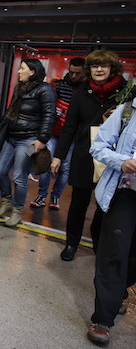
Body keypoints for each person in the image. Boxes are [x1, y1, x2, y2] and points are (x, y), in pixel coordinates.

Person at [52, 50, 126, 261]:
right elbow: (69, 127)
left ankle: (98, 243)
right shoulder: (82, 93)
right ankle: (71, 244)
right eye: (94, 66)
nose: (99, 69)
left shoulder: (125, 94)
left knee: (106, 203)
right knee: (78, 203)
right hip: (85, 153)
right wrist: (59, 156)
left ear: (112, 68)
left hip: (113, 156)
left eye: (103, 65)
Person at [86, 97, 136, 347]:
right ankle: (103, 319)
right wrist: (121, 162)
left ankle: (121, 290)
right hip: (125, 195)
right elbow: (98, 146)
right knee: (114, 255)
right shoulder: (128, 111)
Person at [0, 59, 55, 227]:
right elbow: (11, 109)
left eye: (22, 69)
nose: (19, 72)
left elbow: (49, 116)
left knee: (19, 176)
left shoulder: (45, 89)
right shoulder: (19, 87)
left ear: (32, 72)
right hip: (12, 137)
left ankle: (17, 211)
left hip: (28, 141)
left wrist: (42, 139)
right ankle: (6, 201)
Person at [30, 57, 85, 210]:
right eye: (71, 72)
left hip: (72, 136)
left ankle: (55, 197)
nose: (73, 76)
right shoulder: (59, 86)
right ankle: (42, 195)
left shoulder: (86, 90)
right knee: (46, 163)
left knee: (65, 168)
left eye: (77, 73)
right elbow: (48, 107)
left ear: (84, 72)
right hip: (54, 132)